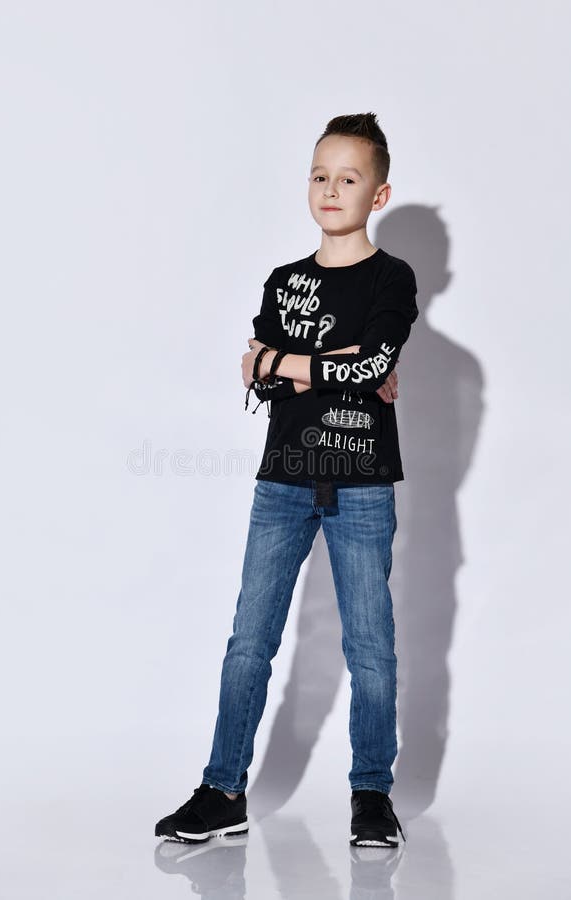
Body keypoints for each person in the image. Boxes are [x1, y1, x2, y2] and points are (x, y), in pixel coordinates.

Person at [155, 111, 418, 848]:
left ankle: (371, 794)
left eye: (348, 178)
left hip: (362, 482)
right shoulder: (286, 280)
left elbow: (364, 369)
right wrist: (333, 369)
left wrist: (296, 363)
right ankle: (222, 788)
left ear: (379, 192)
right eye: (319, 175)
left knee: (370, 647)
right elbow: (267, 381)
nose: (330, 189)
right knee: (249, 640)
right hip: (283, 481)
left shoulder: (390, 278)